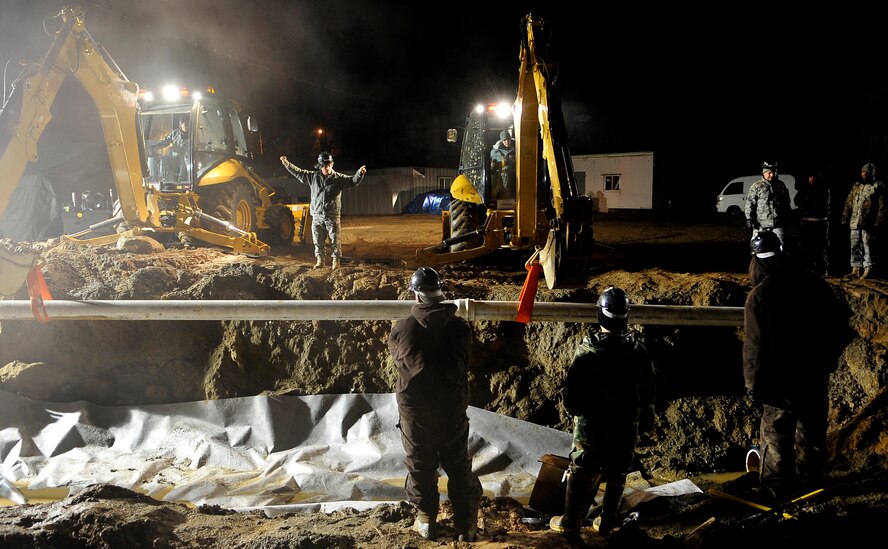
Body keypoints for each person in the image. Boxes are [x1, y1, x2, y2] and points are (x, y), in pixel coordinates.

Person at [743, 231, 848, 503]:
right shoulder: (815, 285)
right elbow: (839, 328)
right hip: (813, 377)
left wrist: (753, 386)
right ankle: (810, 489)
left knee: (776, 435)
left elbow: (755, 347)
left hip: (779, 383)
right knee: (810, 434)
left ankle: (776, 491)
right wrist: (827, 362)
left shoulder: (760, 296)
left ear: (757, 261)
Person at [549, 287, 656, 538]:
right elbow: (649, 391)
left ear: (601, 314)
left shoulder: (588, 352)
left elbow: (571, 393)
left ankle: (571, 525)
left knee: (583, 467)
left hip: (591, 424)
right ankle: (606, 523)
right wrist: (645, 422)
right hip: (626, 424)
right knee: (619, 468)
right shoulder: (639, 351)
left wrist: (573, 411)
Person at [387, 267, 482, 542]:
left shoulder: (403, 328)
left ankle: (426, 521)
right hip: (451, 407)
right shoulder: (460, 327)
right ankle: (466, 526)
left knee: (420, 463)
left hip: (416, 411)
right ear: (440, 294)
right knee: (457, 463)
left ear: (416, 296)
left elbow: (398, 359)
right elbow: (465, 362)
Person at [279, 151, 367, 269]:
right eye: (323, 165)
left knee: (335, 240)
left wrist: (359, 174)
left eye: (327, 165)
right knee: (318, 241)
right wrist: (286, 163)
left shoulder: (338, 179)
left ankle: (336, 261)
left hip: (332, 216)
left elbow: (352, 181)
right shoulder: (313, 177)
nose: (325, 168)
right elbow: (298, 173)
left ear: (332, 164)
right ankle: (320, 260)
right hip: (317, 216)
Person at [841, 163, 887, 279]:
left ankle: (868, 269)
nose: (864, 174)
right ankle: (855, 269)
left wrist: (878, 223)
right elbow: (848, 202)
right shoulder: (856, 186)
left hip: (868, 222)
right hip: (855, 221)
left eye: (867, 172)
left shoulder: (878, 186)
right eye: (863, 171)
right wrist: (845, 217)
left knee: (867, 246)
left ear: (872, 173)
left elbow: (883, 207)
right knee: (855, 245)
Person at [745, 161, 792, 244]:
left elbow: (786, 202)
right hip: (760, 225)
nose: (772, 175)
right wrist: (749, 218)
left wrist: (788, 214)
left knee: (781, 246)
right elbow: (750, 203)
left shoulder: (780, 185)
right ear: (764, 173)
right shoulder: (756, 186)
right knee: (757, 247)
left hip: (777, 225)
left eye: (773, 172)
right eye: (769, 173)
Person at [794, 171, 831, 276]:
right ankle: (808, 269)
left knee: (820, 248)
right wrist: (809, 202)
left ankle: (822, 270)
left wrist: (808, 202)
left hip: (820, 222)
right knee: (806, 248)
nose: (812, 179)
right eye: (810, 176)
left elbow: (821, 203)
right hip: (806, 222)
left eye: (814, 177)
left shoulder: (823, 189)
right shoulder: (804, 189)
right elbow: (797, 201)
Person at [489, 129, 516, 199]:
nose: (507, 142)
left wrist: (510, 161)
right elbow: (492, 165)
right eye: (504, 140)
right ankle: (504, 196)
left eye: (508, 140)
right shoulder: (496, 151)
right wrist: (493, 165)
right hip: (501, 174)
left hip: (516, 172)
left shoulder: (517, 148)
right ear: (501, 141)